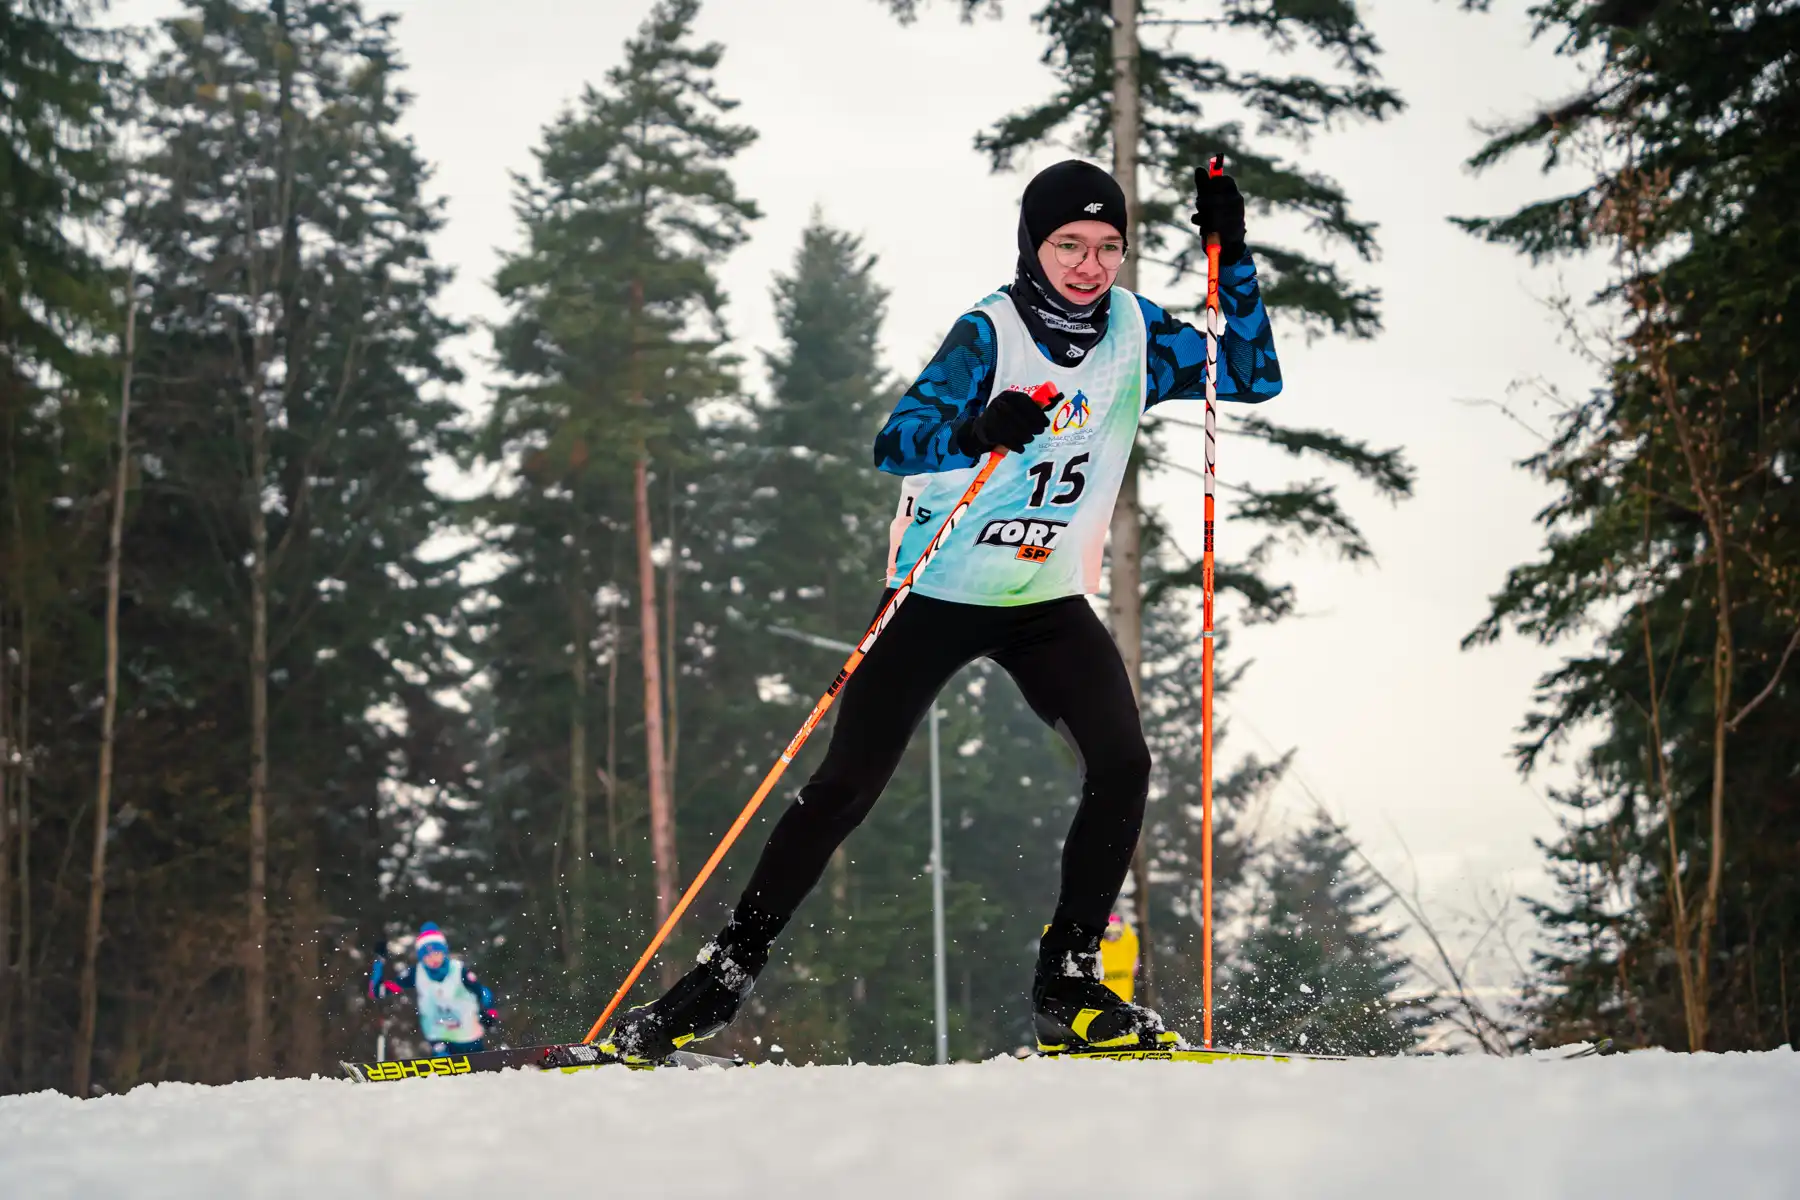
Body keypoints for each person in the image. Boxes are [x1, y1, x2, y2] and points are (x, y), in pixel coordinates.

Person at [603, 159, 1280, 1063]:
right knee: (845, 786)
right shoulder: (989, 333)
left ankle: (1067, 981)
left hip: (1044, 600)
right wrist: (973, 431)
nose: (1089, 265)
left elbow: (1249, 372)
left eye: (1108, 246)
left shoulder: (1136, 332)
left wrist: (1232, 256)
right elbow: (897, 441)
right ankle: (725, 972)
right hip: (938, 590)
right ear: (1033, 246)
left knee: (1123, 762)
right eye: (1068, 245)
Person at [369, 922, 501, 1056]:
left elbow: (483, 993)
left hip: (470, 1036)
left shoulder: (459, 970)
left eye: (437, 952)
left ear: (444, 952)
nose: (433, 958)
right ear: (421, 957)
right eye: (427, 954)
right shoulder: (415, 974)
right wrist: (379, 962)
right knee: (444, 1063)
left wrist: (489, 1012)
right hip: (440, 1039)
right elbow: (378, 992)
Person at [1100, 913, 1139, 1003]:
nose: (1112, 935)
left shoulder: (1128, 939)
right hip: (1104, 985)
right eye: (1109, 931)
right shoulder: (1100, 943)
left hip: (1123, 986)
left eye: (1116, 931)